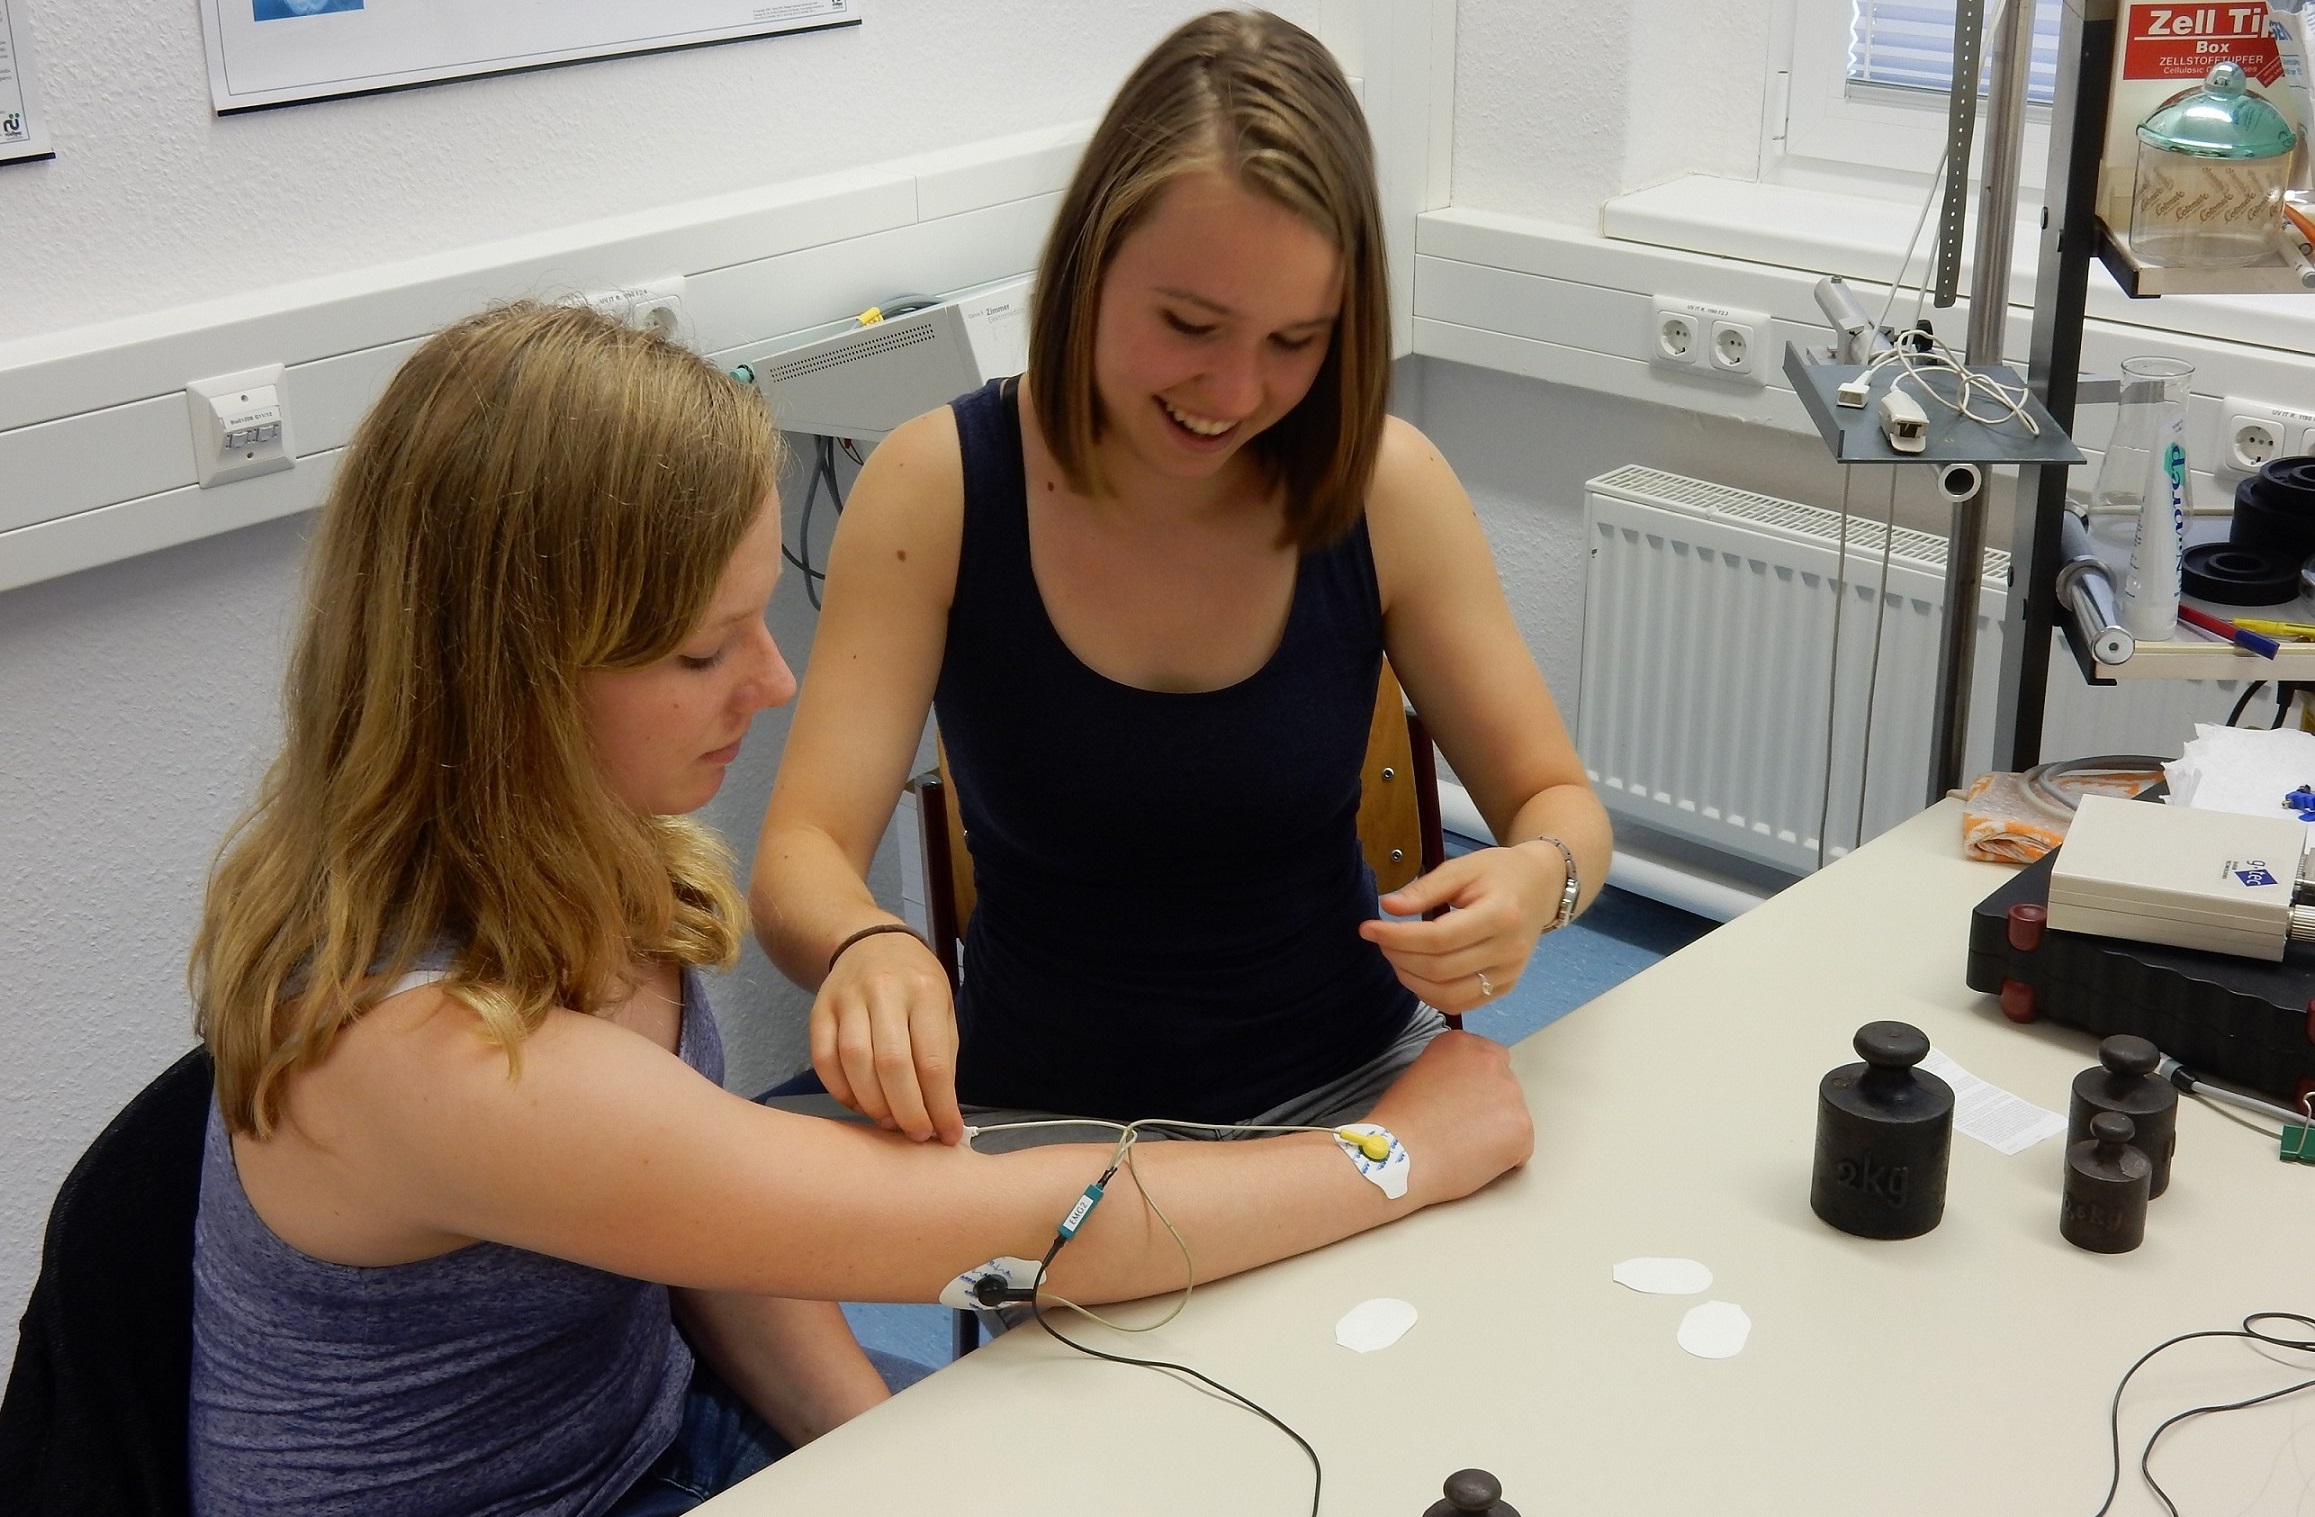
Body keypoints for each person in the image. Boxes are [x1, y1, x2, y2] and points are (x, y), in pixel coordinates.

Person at [183, 300, 1532, 1516]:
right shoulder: (429, 1056)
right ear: (507, 682)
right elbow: (1024, 1226)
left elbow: (704, 1229)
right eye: (704, 650)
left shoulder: (565, 856)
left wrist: (864, 1442)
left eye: (755, 617)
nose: (768, 682)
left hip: (646, 1432)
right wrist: (1395, 1154)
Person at [752, 10, 1610, 1146]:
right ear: (1088, 266)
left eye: (1296, 340)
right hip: (1044, 1119)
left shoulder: (1387, 490)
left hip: (1354, 1092)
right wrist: (866, 944)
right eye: (1190, 323)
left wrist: (1537, 881)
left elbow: (1559, 803)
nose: (1236, 390)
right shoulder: (935, 487)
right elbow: (799, 854)